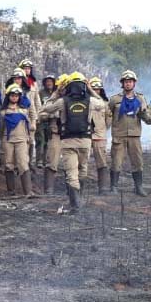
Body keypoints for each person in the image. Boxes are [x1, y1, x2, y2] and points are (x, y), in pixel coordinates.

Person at [41, 72, 93, 212]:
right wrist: (90, 89)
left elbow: (45, 107)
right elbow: (104, 105)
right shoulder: (91, 101)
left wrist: (56, 93)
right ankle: (79, 199)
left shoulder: (62, 101)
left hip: (68, 141)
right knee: (82, 170)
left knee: (71, 173)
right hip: (85, 141)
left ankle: (75, 205)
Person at [107, 70, 151, 196]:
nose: (128, 84)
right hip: (119, 135)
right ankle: (113, 187)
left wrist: (144, 112)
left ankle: (138, 187)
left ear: (134, 83)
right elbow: (107, 113)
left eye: (130, 82)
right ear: (122, 83)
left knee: (137, 161)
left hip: (134, 135)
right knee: (116, 161)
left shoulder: (140, 98)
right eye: (126, 82)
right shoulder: (114, 99)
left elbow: (146, 117)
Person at [1, 83, 34, 197]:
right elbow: (0, 127)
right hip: (8, 140)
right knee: (8, 164)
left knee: (23, 163)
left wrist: (29, 138)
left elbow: (29, 126)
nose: (14, 97)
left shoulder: (24, 111)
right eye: (12, 95)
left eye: (16, 95)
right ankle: (11, 191)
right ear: (8, 96)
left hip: (21, 140)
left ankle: (28, 191)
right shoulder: (3, 112)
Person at [39, 73, 68, 194]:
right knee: (51, 161)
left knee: (70, 163)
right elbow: (42, 112)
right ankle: (49, 190)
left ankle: (71, 190)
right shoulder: (55, 99)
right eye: (60, 86)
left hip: (69, 134)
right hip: (55, 132)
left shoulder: (74, 100)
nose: (62, 89)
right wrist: (54, 97)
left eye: (64, 86)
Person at [88, 76, 112, 194]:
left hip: (99, 136)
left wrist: (102, 129)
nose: (96, 91)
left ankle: (103, 187)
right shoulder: (84, 101)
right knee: (81, 162)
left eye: (98, 89)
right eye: (93, 89)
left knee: (102, 162)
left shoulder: (105, 103)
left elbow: (109, 120)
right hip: (86, 136)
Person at [35, 74, 57, 169]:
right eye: (47, 82)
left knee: (49, 140)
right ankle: (39, 160)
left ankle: (46, 160)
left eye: (51, 81)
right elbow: (38, 105)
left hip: (52, 120)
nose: (49, 83)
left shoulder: (56, 93)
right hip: (42, 120)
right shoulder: (41, 93)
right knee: (40, 139)